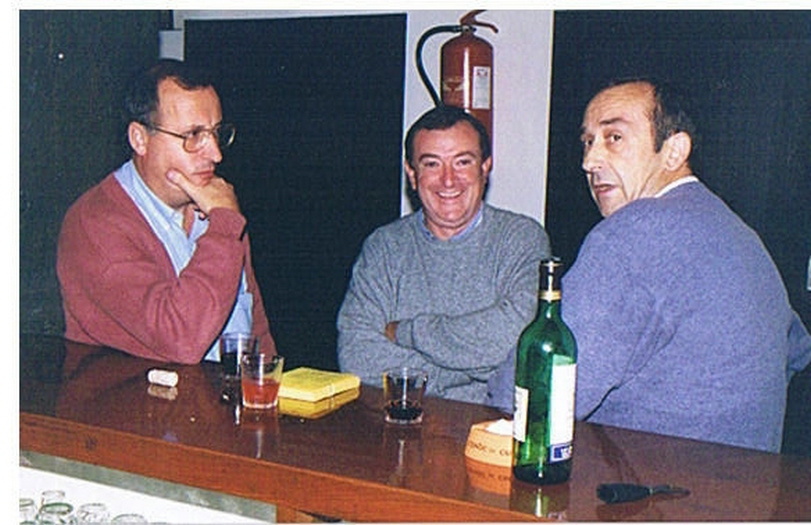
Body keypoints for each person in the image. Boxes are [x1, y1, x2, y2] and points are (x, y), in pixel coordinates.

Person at [561, 77, 811, 452]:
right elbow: (797, 350)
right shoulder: (739, 233)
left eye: (614, 137)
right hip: (748, 481)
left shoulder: (633, 233)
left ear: (674, 151)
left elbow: (543, 390)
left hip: (648, 483)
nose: (589, 161)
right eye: (588, 142)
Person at [56, 59, 276, 363]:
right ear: (140, 139)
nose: (215, 154)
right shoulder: (94, 225)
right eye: (193, 135)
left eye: (216, 133)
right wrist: (225, 226)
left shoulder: (215, 207)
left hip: (224, 393)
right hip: (139, 396)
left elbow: (256, 335)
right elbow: (182, 340)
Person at [336, 105, 551, 406]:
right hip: (401, 424)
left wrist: (406, 333)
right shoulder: (384, 247)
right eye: (432, 164)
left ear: (485, 168)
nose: (448, 180)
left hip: (490, 427)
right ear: (412, 174)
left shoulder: (521, 239)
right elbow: (356, 356)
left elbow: (518, 338)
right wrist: (474, 373)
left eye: (462, 162)